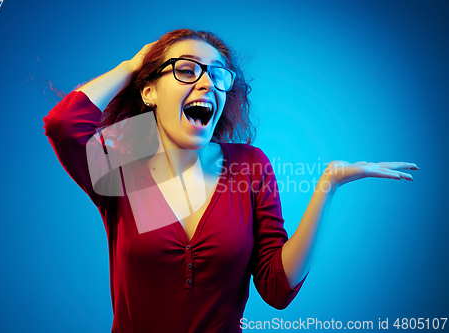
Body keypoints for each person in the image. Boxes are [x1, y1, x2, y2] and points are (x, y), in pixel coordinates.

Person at [43, 29, 418, 333]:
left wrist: (327, 187)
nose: (206, 83)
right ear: (150, 91)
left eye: (217, 73)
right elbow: (63, 125)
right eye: (186, 70)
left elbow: (277, 288)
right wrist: (134, 64)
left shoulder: (249, 167)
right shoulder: (125, 170)